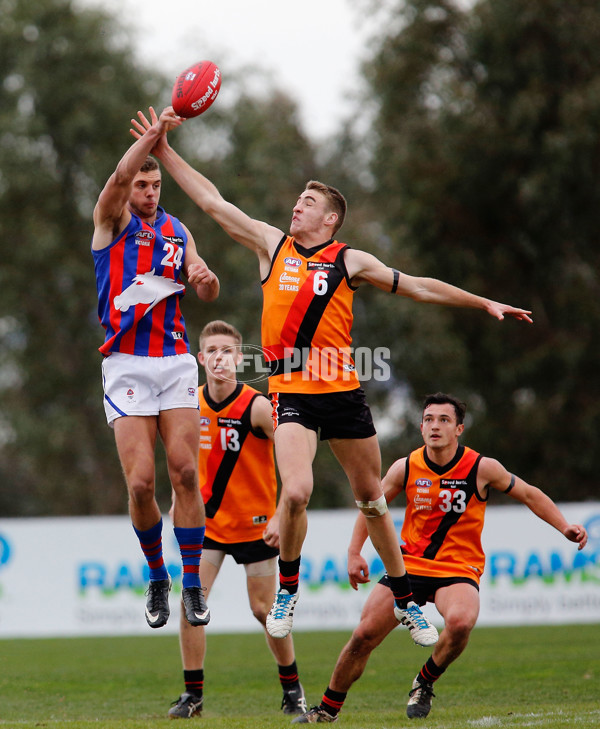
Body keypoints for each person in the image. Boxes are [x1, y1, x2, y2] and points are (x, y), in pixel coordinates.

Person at [130, 107, 533, 646]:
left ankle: (407, 599)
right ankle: (288, 594)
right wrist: (161, 149)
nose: (298, 207)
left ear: (330, 221)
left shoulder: (350, 261)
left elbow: (418, 286)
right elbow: (212, 201)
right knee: (296, 491)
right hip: (290, 392)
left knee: (371, 499)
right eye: (298, 200)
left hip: (343, 392)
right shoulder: (271, 246)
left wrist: (482, 302)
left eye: (309, 204)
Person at [292, 392, 588, 723]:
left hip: (458, 568)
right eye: (429, 420)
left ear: (459, 429)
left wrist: (564, 526)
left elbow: (529, 493)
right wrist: (353, 551)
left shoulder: (481, 467)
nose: (435, 426)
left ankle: (425, 681)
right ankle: (327, 711)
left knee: (461, 623)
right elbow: (370, 504)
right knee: (363, 636)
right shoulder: (405, 467)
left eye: (444, 420)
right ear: (420, 427)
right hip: (407, 567)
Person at [92, 110, 219, 631]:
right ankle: (157, 573)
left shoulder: (177, 229)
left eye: (155, 182)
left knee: (185, 473)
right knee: (142, 483)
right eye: (142, 182)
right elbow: (119, 179)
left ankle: (191, 581)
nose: (148, 190)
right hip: (126, 365)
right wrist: (151, 139)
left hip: (173, 362)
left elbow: (207, 290)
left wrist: (204, 277)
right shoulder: (112, 219)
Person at [168, 320, 307, 719]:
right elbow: (180, 462)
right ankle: (192, 696)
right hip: (207, 526)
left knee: (265, 611)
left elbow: (294, 457)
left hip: (255, 524)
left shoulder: (258, 406)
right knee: (191, 604)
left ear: (239, 358)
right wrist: (177, 500)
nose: (219, 358)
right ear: (200, 358)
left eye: (226, 351)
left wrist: (284, 512)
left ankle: (292, 688)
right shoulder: (189, 402)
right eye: (211, 350)